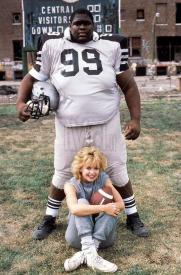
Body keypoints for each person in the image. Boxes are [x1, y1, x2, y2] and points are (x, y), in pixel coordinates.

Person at [16, 8, 149, 240]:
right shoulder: (52, 47)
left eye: (86, 23)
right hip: (68, 124)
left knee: (117, 169)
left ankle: (133, 216)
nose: (82, 27)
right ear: (70, 24)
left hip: (106, 121)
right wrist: (20, 103)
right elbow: (30, 78)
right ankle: (49, 217)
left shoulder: (111, 47)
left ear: (93, 25)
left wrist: (135, 119)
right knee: (62, 172)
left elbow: (129, 85)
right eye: (78, 23)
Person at [64, 146, 124, 273]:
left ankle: (89, 253)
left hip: (102, 239)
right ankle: (90, 251)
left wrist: (109, 208)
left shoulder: (103, 179)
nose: (93, 172)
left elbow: (121, 204)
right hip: (77, 238)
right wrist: (103, 207)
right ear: (80, 168)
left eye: (96, 168)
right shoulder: (70, 185)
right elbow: (74, 209)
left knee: (113, 207)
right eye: (88, 168)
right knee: (81, 202)